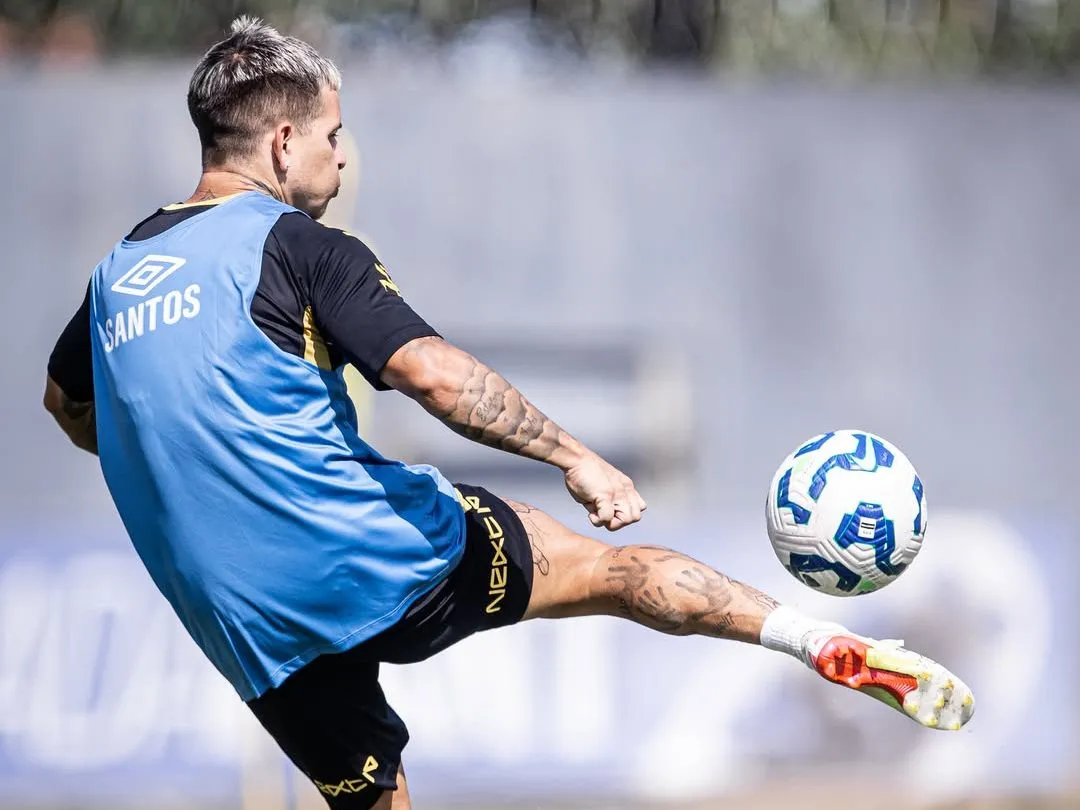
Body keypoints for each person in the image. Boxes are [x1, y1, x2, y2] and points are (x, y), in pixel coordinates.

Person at [43, 17, 974, 810]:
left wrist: (185, 454)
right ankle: (817, 639)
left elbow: (69, 405)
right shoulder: (296, 246)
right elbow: (438, 379)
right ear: (283, 143)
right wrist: (579, 457)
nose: (338, 154)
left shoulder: (117, 272)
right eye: (333, 133)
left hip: (249, 619)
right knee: (614, 572)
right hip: (376, 556)